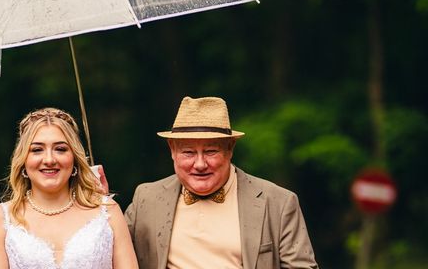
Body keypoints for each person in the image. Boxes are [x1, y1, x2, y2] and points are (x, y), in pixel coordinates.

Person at [124, 96, 318, 269]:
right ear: (172, 150)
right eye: (188, 152)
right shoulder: (146, 199)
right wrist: (100, 202)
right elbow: (108, 254)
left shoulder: (278, 202)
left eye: (210, 151)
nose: (200, 164)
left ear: (230, 148)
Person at [0, 107, 138, 269]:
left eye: (60, 149)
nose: (49, 159)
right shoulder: (0, 219)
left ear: (74, 159)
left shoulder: (107, 211)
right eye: (37, 150)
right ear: (23, 160)